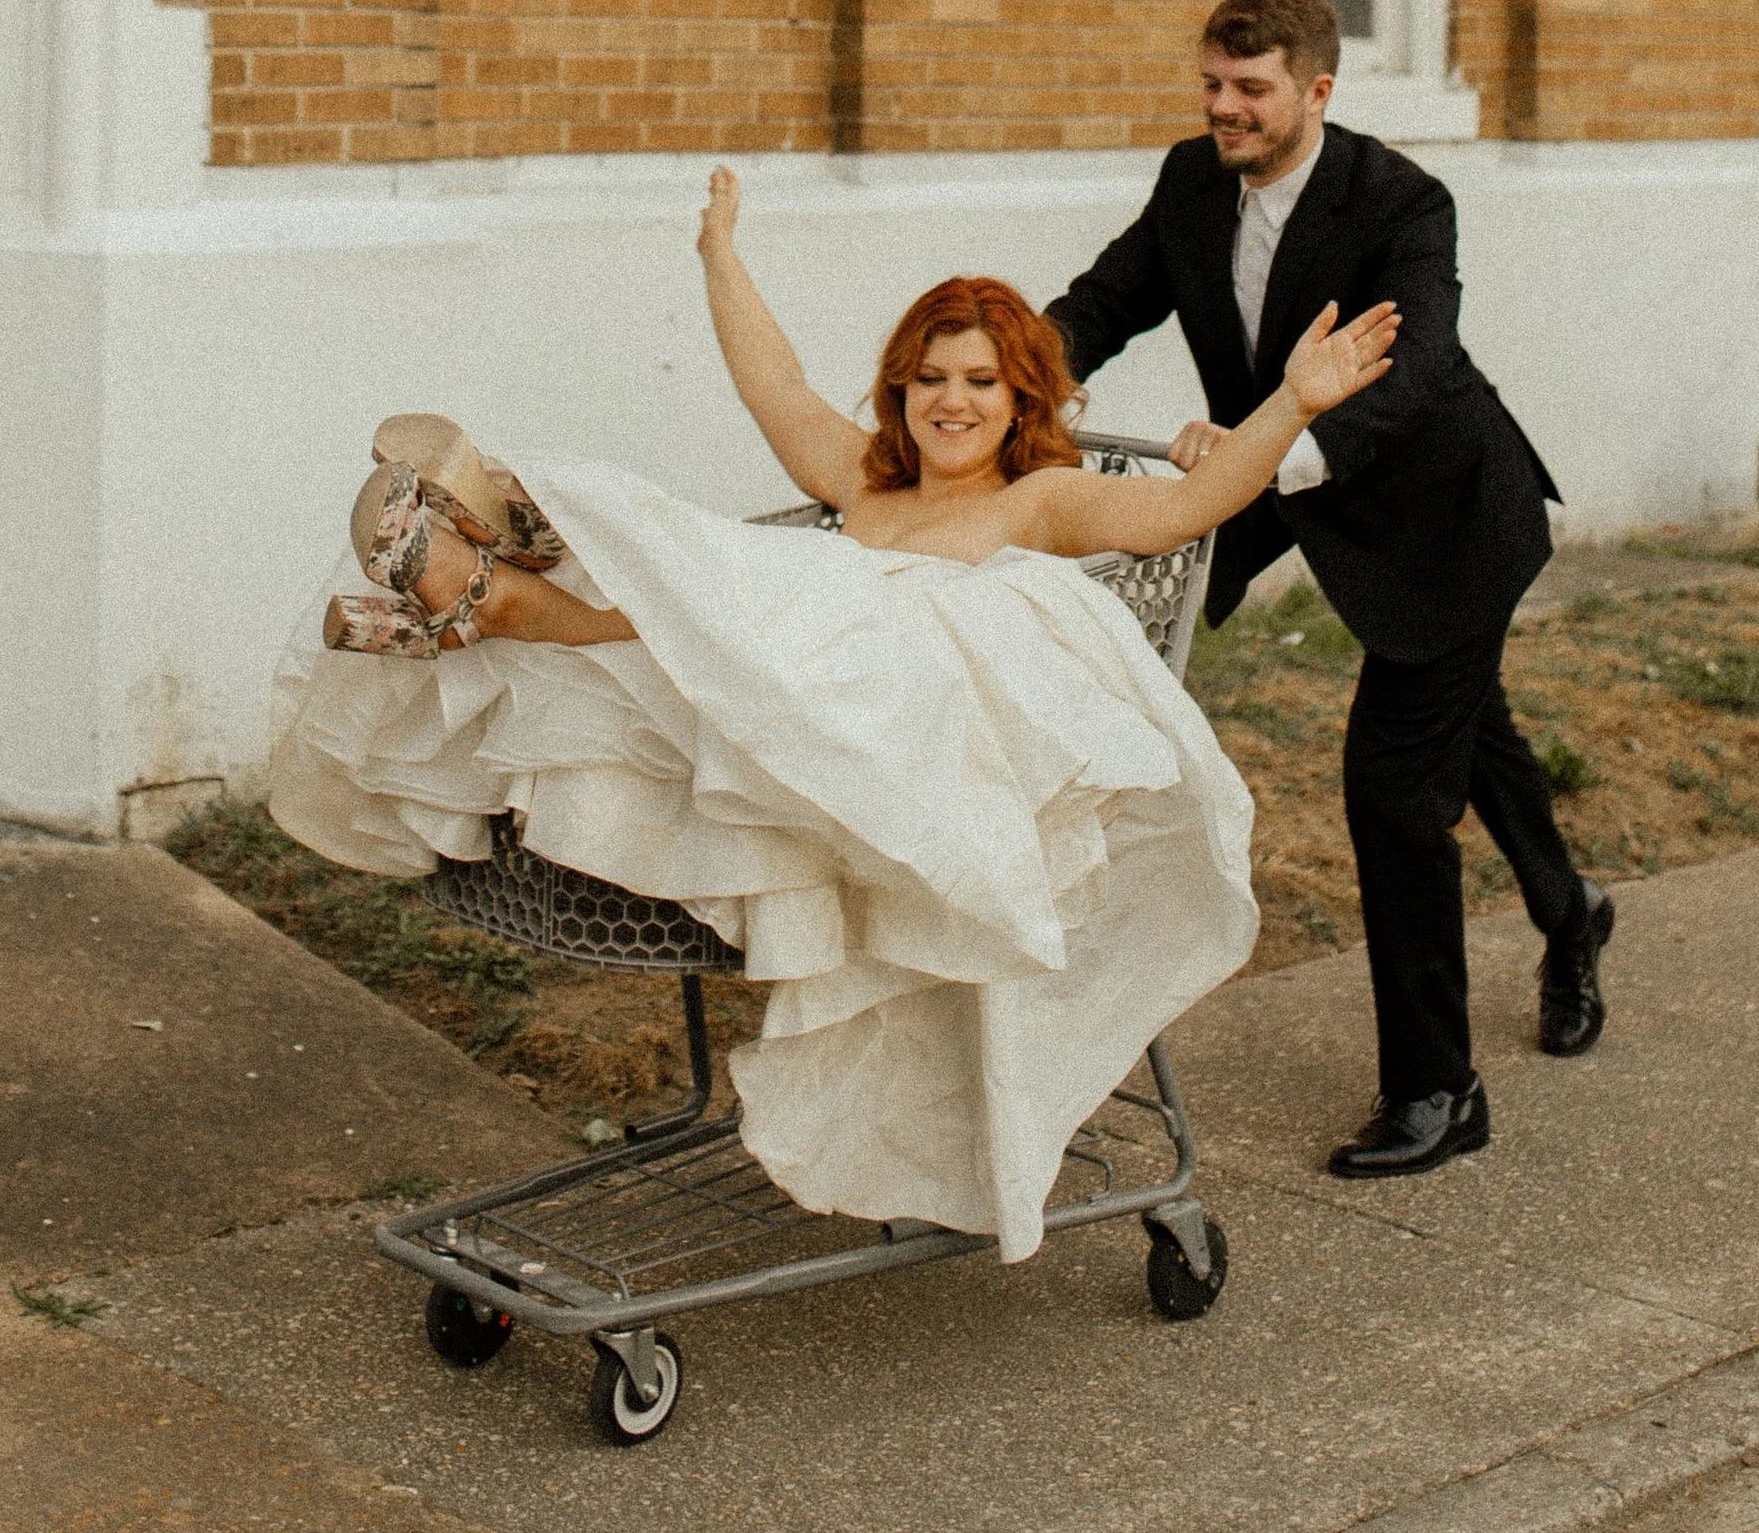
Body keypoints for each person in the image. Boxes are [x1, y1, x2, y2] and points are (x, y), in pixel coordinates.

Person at [269, 170, 1398, 1258]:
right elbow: (777, 387)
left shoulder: (1037, 500)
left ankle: (512, 566)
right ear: (901, 390)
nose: (951, 401)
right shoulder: (865, 482)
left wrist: (1293, 399)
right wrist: (720, 254)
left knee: (773, 586)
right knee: (739, 588)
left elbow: (1190, 506)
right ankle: (500, 571)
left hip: (841, 739)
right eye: (929, 379)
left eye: (980, 382)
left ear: (1022, 403)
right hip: (755, 708)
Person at [1044, 0, 1612, 1180]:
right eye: (1210, 85)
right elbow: (1107, 298)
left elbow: (1418, 370)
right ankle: (1573, 911)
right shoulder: (1192, 182)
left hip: (1443, 507)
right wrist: (1023, 375)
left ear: (1316, 90)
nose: (1223, 111)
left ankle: (1438, 1091)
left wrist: (1266, 452)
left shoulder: (1403, 200)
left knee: (1395, 787)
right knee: (1468, 727)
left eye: (1249, 91)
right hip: (1289, 468)